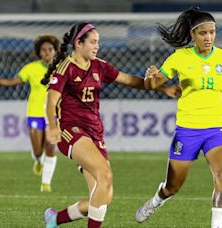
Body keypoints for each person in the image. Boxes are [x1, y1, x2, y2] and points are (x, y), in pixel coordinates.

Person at [42, 23, 179, 228]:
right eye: (93, 42)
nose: (97, 46)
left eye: (98, 42)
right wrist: (52, 126)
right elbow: (51, 100)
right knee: (105, 176)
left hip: (95, 133)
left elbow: (129, 80)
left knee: (102, 196)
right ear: (78, 43)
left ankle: (55, 219)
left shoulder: (99, 65)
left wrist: (162, 88)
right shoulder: (66, 68)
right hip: (72, 131)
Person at [135, 7, 222, 228]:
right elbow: (153, 85)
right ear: (193, 35)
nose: (209, 37)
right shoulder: (180, 58)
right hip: (187, 130)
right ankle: (156, 201)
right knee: (172, 187)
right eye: (203, 33)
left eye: (212, 32)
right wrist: (150, 77)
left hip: (217, 129)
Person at [0, 35, 60, 192]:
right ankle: (38, 160)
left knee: (51, 147)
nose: (47, 52)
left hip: (54, 115)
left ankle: (46, 184)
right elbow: (11, 82)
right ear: (39, 52)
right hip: (35, 113)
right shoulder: (31, 68)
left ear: (55, 51)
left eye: (50, 49)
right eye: (43, 50)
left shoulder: (61, 69)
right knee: (38, 150)